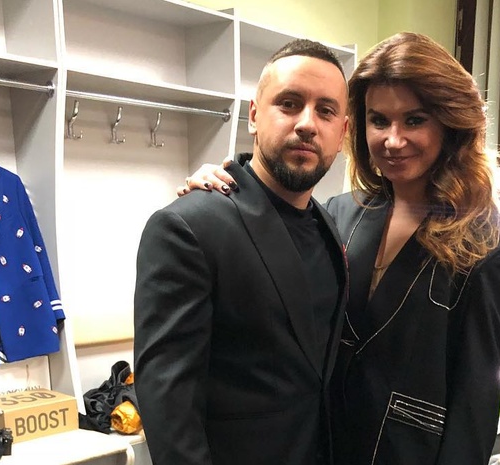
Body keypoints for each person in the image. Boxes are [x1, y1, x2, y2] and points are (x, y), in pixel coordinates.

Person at [184, 32, 500, 465]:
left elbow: (473, 407)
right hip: (318, 450)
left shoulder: (492, 248)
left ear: (450, 124)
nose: (393, 139)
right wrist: (221, 189)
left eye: (414, 120)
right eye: (379, 120)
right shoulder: (339, 214)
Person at [133, 39, 349, 465]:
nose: (307, 124)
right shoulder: (189, 227)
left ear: (341, 133)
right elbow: (169, 408)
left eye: (325, 111)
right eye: (289, 104)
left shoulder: (330, 223)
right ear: (253, 115)